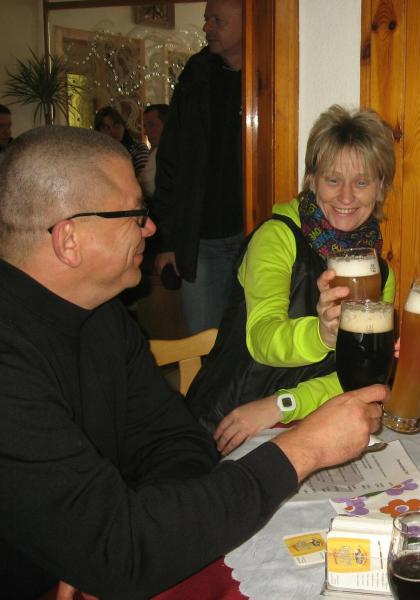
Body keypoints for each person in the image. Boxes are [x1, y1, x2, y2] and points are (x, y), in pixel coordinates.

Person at [0, 125, 384, 599]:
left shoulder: (103, 317)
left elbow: (178, 442)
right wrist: (303, 449)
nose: (151, 228)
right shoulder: (9, 364)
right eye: (136, 214)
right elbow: (123, 551)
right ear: (69, 239)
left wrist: (97, 544)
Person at [188, 104, 397, 456]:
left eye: (361, 182)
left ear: (380, 188)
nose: (346, 197)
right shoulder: (277, 237)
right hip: (232, 420)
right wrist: (322, 334)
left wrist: (285, 404)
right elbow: (261, 338)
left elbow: (365, 378)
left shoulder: (378, 271)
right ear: (312, 180)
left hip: (307, 425)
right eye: (333, 180)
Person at [152, 0, 245, 335]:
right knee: (203, 343)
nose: (207, 28)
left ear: (248, 20)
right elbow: (171, 160)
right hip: (201, 240)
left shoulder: (271, 70)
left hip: (255, 237)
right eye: (207, 19)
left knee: (250, 346)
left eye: (217, 20)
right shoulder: (197, 74)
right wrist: (167, 241)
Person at [93, 105, 150, 177]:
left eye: (116, 126)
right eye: (106, 128)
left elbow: (144, 179)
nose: (112, 131)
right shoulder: (95, 153)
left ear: (123, 127)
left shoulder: (138, 149)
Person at [139, 103, 169, 198]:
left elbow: (147, 187)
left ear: (168, 125)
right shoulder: (155, 152)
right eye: (145, 127)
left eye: (151, 125)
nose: (145, 132)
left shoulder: (164, 152)